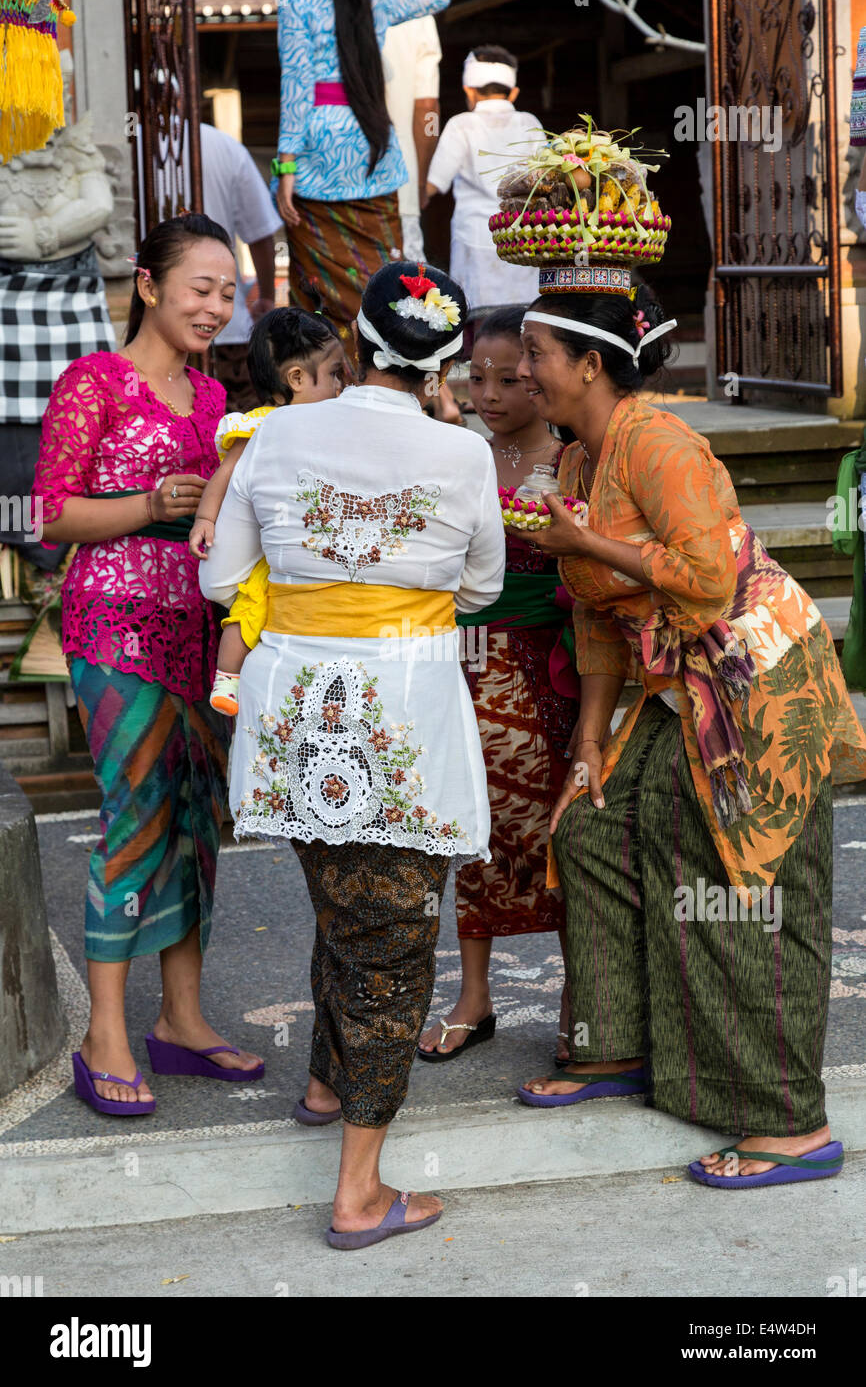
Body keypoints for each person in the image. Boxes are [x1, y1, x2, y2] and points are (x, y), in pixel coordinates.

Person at [512, 285, 866, 1188]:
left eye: (536, 354)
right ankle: (618, 1046)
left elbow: (705, 580)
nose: (522, 372)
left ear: (589, 365)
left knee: (741, 886)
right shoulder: (581, 463)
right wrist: (588, 744)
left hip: (755, 680)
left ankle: (790, 1123)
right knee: (591, 830)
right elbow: (597, 621)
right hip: (681, 683)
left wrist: (587, 546)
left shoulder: (660, 443)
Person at [199, 260, 504, 1246]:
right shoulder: (460, 453)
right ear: (440, 362)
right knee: (391, 938)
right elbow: (482, 589)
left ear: (358, 342)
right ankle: (358, 1193)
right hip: (403, 708)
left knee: (343, 900)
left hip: (291, 707)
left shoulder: (275, 430)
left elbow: (219, 577)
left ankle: (329, 1082)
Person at [33, 213, 265, 1117]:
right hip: (115, 627)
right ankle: (106, 1037)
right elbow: (49, 515)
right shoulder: (95, 383)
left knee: (199, 823)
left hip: (203, 630)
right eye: (202, 288)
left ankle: (181, 1022)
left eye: (228, 291)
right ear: (148, 285)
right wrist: (144, 504)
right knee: (134, 820)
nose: (217, 306)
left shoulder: (213, 401)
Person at [418, 306, 579, 1062]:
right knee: (473, 828)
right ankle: (474, 997)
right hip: (470, 661)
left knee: (568, 828)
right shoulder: (457, 457)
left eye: (508, 378)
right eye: (473, 377)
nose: (488, 393)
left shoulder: (574, 459)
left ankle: (587, 989)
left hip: (556, 664)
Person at [189, 305, 347, 714]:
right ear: (296, 378)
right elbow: (222, 478)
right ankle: (227, 680)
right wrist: (206, 519)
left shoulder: (336, 425)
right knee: (249, 605)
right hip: (268, 549)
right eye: (334, 374)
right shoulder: (259, 426)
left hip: (316, 547)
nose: (341, 386)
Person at [273, 0, 450, 348]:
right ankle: (388, 360)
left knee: (317, 287)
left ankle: (327, 378)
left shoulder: (297, 4)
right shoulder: (375, 3)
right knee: (383, 275)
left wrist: (286, 165)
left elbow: (296, 84)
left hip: (316, 154)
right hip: (372, 144)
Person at [425, 45, 543, 317]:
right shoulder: (530, 123)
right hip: (521, 241)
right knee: (522, 321)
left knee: (477, 324)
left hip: (474, 241)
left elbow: (434, 184)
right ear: (513, 93)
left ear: (469, 90)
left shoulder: (461, 124)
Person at [200, 122, 284, 412]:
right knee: (239, 432)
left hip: (162, 324)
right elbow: (261, 233)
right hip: (227, 327)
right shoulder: (225, 148)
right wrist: (266, 299)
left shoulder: (141, 144)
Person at [382, 14, 442, 260]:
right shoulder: (418, 13)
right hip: (400, 178)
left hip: (333, 176)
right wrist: (419, 180)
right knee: (404, 285)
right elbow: (428, 109)